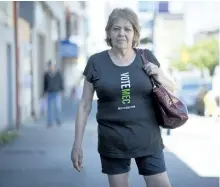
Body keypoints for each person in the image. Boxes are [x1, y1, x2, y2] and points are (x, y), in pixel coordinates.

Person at [71, 8, 175, 187]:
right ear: (109, 33)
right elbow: (84, 105)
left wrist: (159, 75)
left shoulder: (146, 57)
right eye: (116, 29)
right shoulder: (96, 62)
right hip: (113, 141)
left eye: (127, 29)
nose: (122, 33)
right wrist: (77, 144)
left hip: (147, 138)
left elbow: (171, 91)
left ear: (134, 33)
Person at [43, 61, 64, 127]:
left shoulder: (58, 74)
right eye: (49, 66)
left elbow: (61, 82)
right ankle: (50, 122)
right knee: (49, 108)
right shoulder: (46, 75)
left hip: (57, 92)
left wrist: (62, 90)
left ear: (54, 66)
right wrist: (45, 92)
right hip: (49, 92)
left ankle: (58, 120)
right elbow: (44, 84)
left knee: (58, 107)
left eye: (52, 66)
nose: (51, 67)